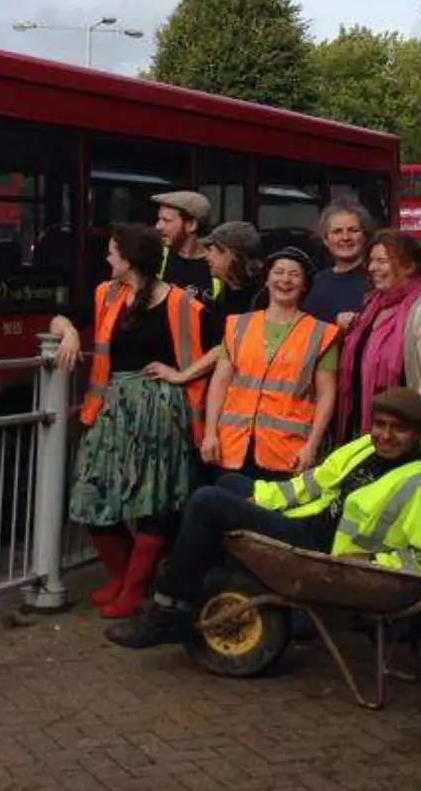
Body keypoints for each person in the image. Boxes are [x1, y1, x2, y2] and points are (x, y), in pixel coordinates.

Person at [103, 386, 421, 649]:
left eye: (399, 428)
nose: (385, 435)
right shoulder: (365, 447)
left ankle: (169, 611)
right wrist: (260, 496)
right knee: (231, 482)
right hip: (304, 524)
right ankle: (201, 583)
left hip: (322, 555)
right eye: (380, 424)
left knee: (206, 502)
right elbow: (314, 484)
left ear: (420, 434)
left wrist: (371, 563)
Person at [49, 223, 208, 619]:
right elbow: (61, 318)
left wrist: (181, 376)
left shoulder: (180, 303)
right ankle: (122, 576)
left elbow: (226, 345)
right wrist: (67, 332)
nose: (106, 258)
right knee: (89, 494)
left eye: (111, 251)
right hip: (112, 408)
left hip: (160, 411)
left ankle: (134, 587)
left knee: (154, 500)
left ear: (129, 258)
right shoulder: (106, 294)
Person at [201, 246, 339, 480]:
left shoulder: (322, 333)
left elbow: (327, 395)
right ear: (266, 280)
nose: (285, 279)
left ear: (304, 284)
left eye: (294, 274)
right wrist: (209, 433)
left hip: (287, 452)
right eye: (279, 272)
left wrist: (312, 444)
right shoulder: (238, 325)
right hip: (232, 448)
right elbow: (220, 382)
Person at [334, 229, 421, 440]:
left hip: (398, 434)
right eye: (371, 260)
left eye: (382, 261)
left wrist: (416, 430)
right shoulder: (373, 306)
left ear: (409, 266)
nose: (372, 267)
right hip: (363, 426)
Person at [195, 220, 265, 350]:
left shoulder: (262, 300)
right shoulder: (224, 294)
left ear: (229, 253)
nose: (206, 257)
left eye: (211, 250)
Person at [301, 199, 371, 325]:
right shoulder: (318, 282)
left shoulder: (377, 277)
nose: (345, 237)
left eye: (353, 230)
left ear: (365, 236)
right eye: (337, 231)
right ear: (325, 240)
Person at [153, 190, 215, 294]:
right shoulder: (156, 257)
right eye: (159, 219)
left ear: (191, 225)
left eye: (166, 220)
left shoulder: (217, 264)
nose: (158, 226)